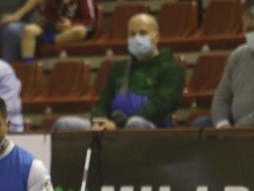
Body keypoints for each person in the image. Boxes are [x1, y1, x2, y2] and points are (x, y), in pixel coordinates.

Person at [54, 14, 184, 131]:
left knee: (135, 124)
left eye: (143, 33)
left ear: (156, 37)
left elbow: (160, 107)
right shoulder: (118, 68)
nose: (137, 38)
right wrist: (99, 122)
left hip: (151, 127)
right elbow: (103, 103)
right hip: (112, 127)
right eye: (132, 34)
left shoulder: (171, 69)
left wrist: (118, 126)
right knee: (64, 124)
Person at [211, 5, 254, 128]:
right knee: (200, 124)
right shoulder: (237, 56)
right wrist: (222, 124)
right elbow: (221, 99)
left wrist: (236, 131)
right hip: (234, 130)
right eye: (249, 29)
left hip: (244, 130)